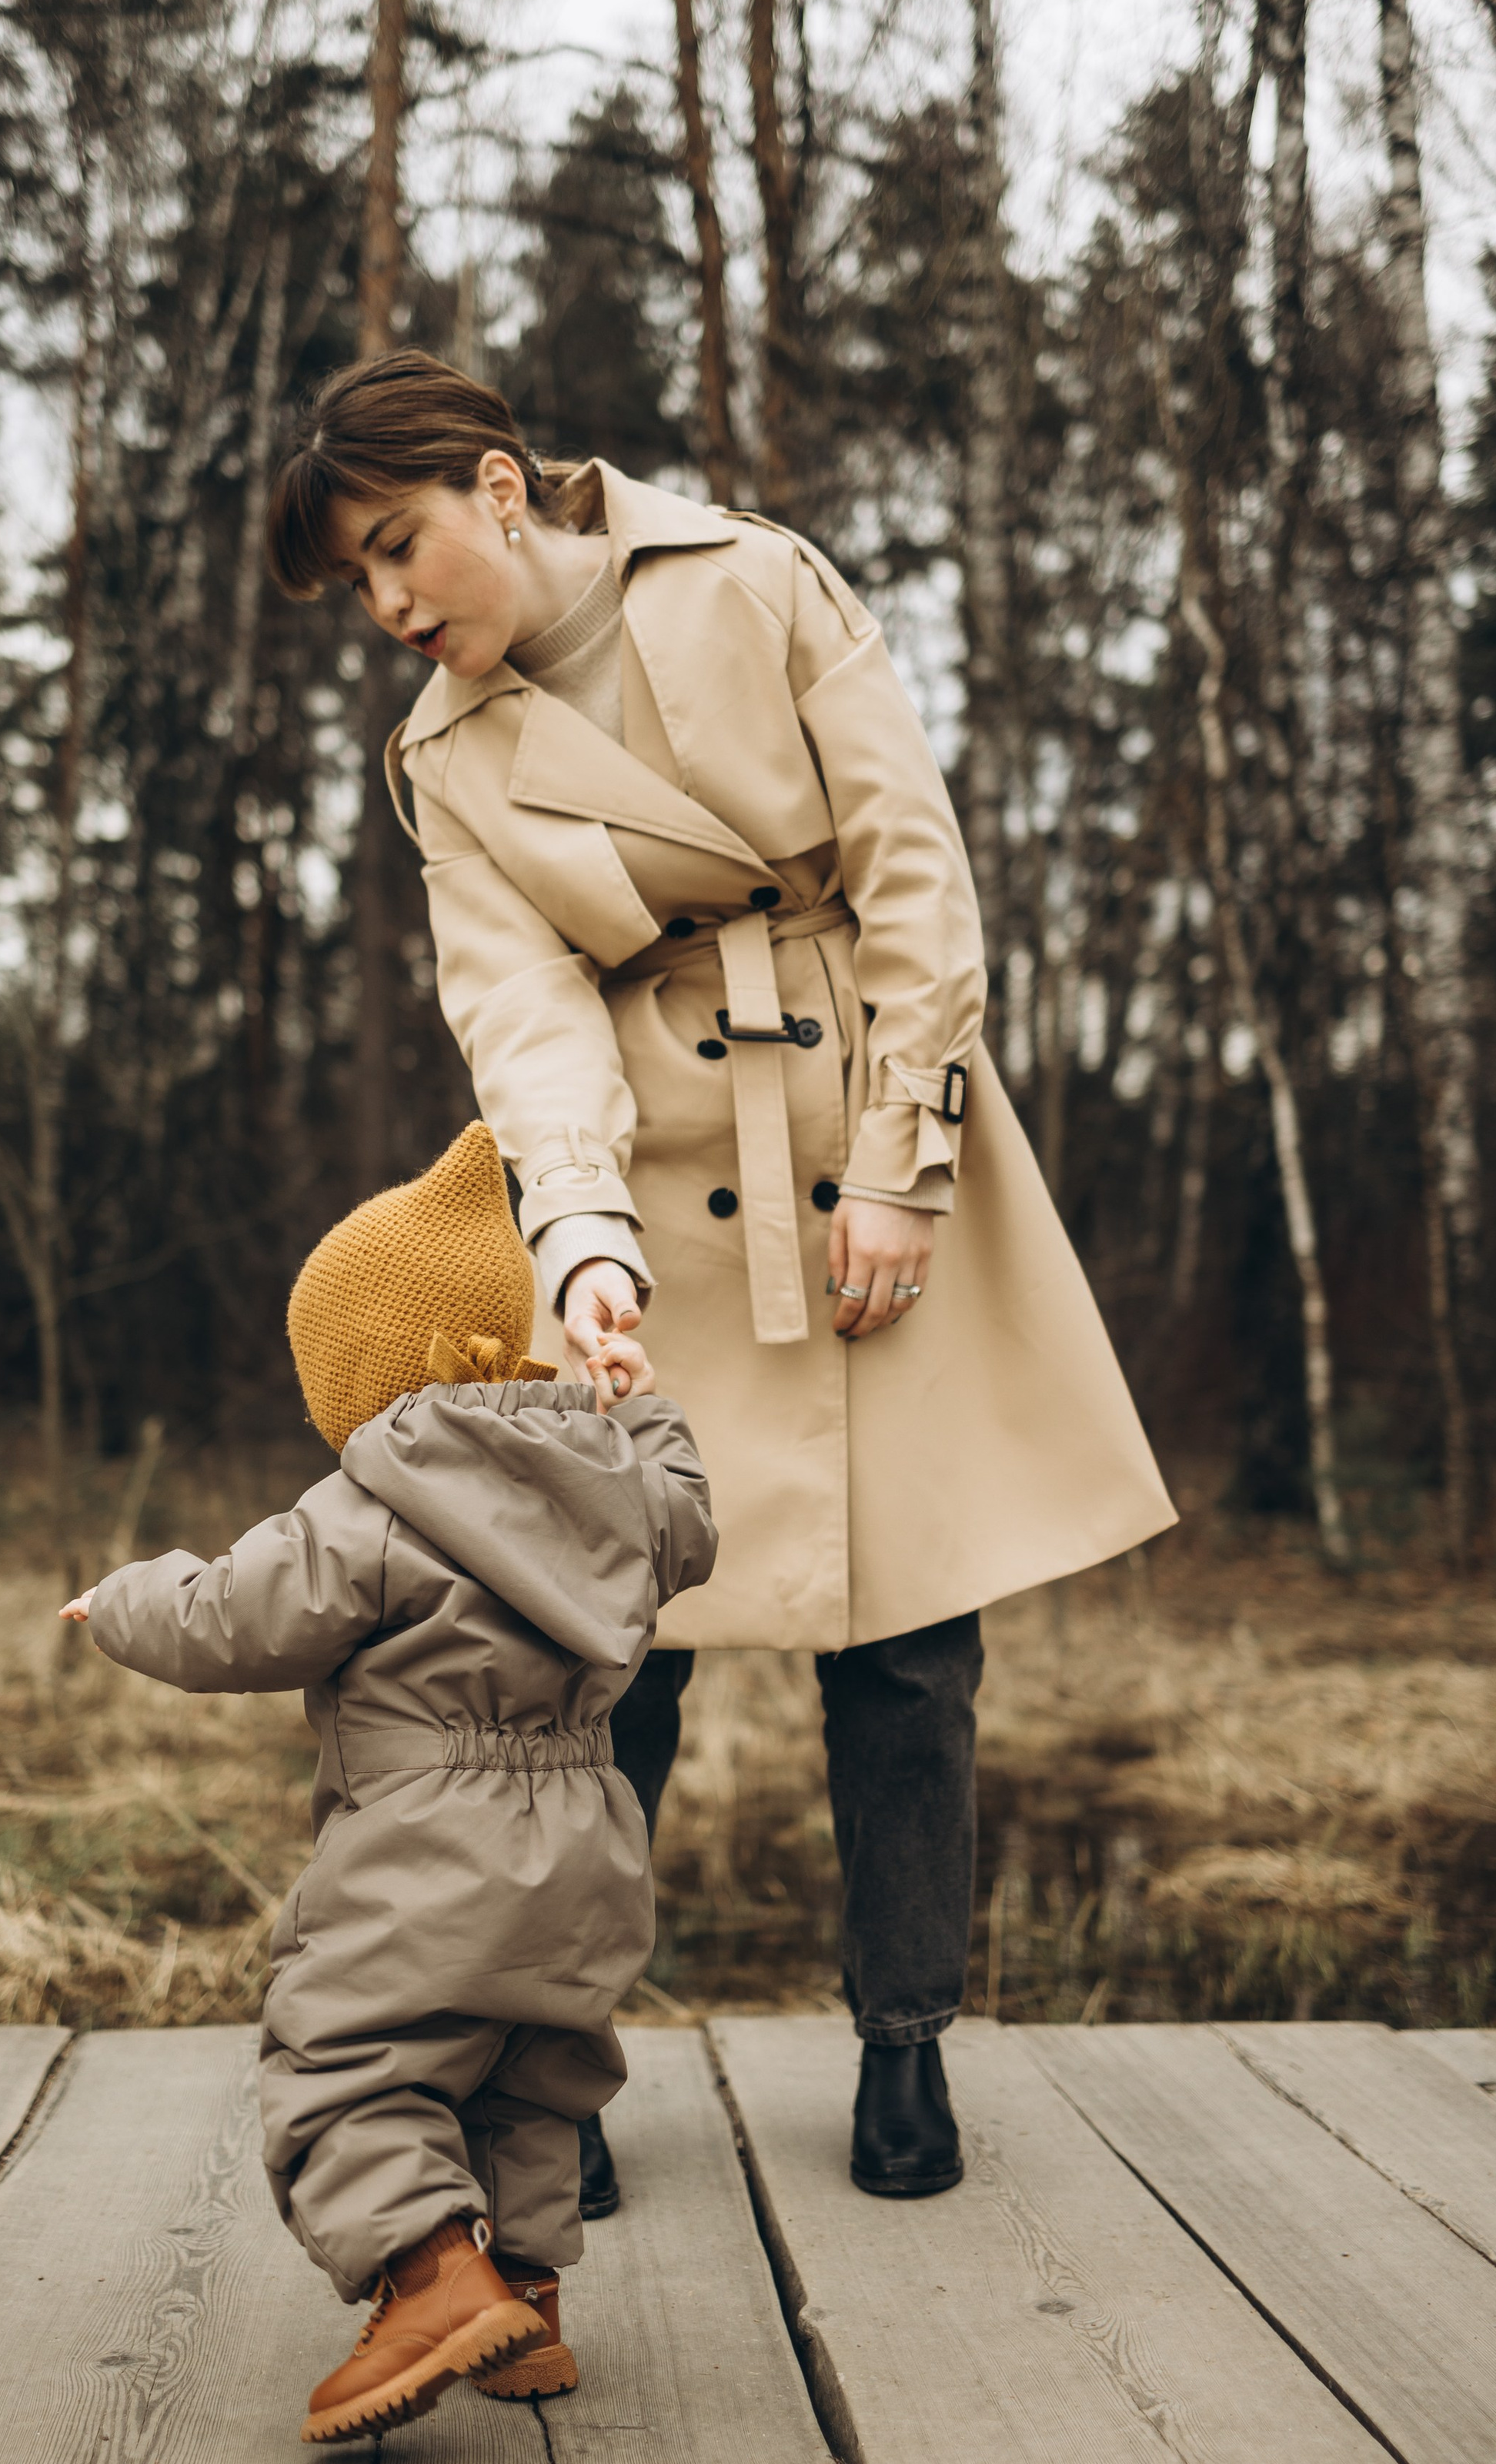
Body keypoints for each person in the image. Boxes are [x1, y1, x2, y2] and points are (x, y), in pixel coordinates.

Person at [265, 352, 1176, 2211]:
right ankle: (557, 2080)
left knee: (904, 1636)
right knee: (603, 1655)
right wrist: (578, 1245)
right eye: (358, 586)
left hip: (863, 1120)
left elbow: (916, 875)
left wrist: (905, 1167)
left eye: (397, 547)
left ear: (497, 488)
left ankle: (906, 2051)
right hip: (644, 1193)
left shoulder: (753, 582)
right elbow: (518, 1024)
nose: (390, 607)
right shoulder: (445, 759)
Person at [60, 1120, 716, 2444]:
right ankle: (523, 2307)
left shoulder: (370, 1501)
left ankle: (427, 2278)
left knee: (342, 2059)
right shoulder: (609, 1472)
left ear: (361, 1370)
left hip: (429, 1838)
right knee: (529, 2077)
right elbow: (690, 1517)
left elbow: (230, 1621)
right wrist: (638, 1396)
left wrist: (124, 1599)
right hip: (593, 1837)